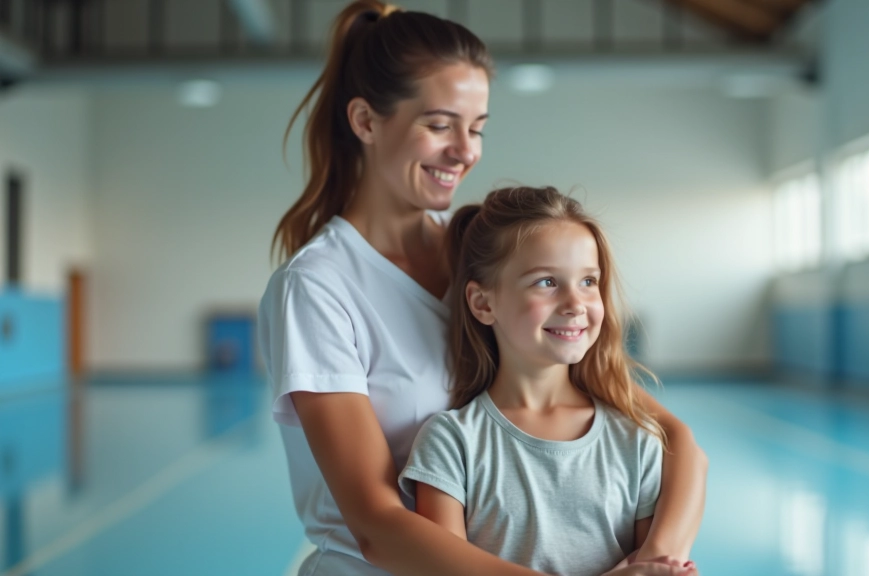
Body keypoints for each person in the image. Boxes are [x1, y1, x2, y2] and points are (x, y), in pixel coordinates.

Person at [258, 1, 708, 575]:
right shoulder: (317, 288)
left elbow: (676, 441)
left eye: (476, 129)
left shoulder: (492, 256)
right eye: (439, 125)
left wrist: (656, 562)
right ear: (367, 122)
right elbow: (375, 526)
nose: (465, 151)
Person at [398, 187, 699, 576]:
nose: (575, 304)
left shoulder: (636, 441)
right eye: (546, 282)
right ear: (483, 303)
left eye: (588, 282)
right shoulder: (450, 443)